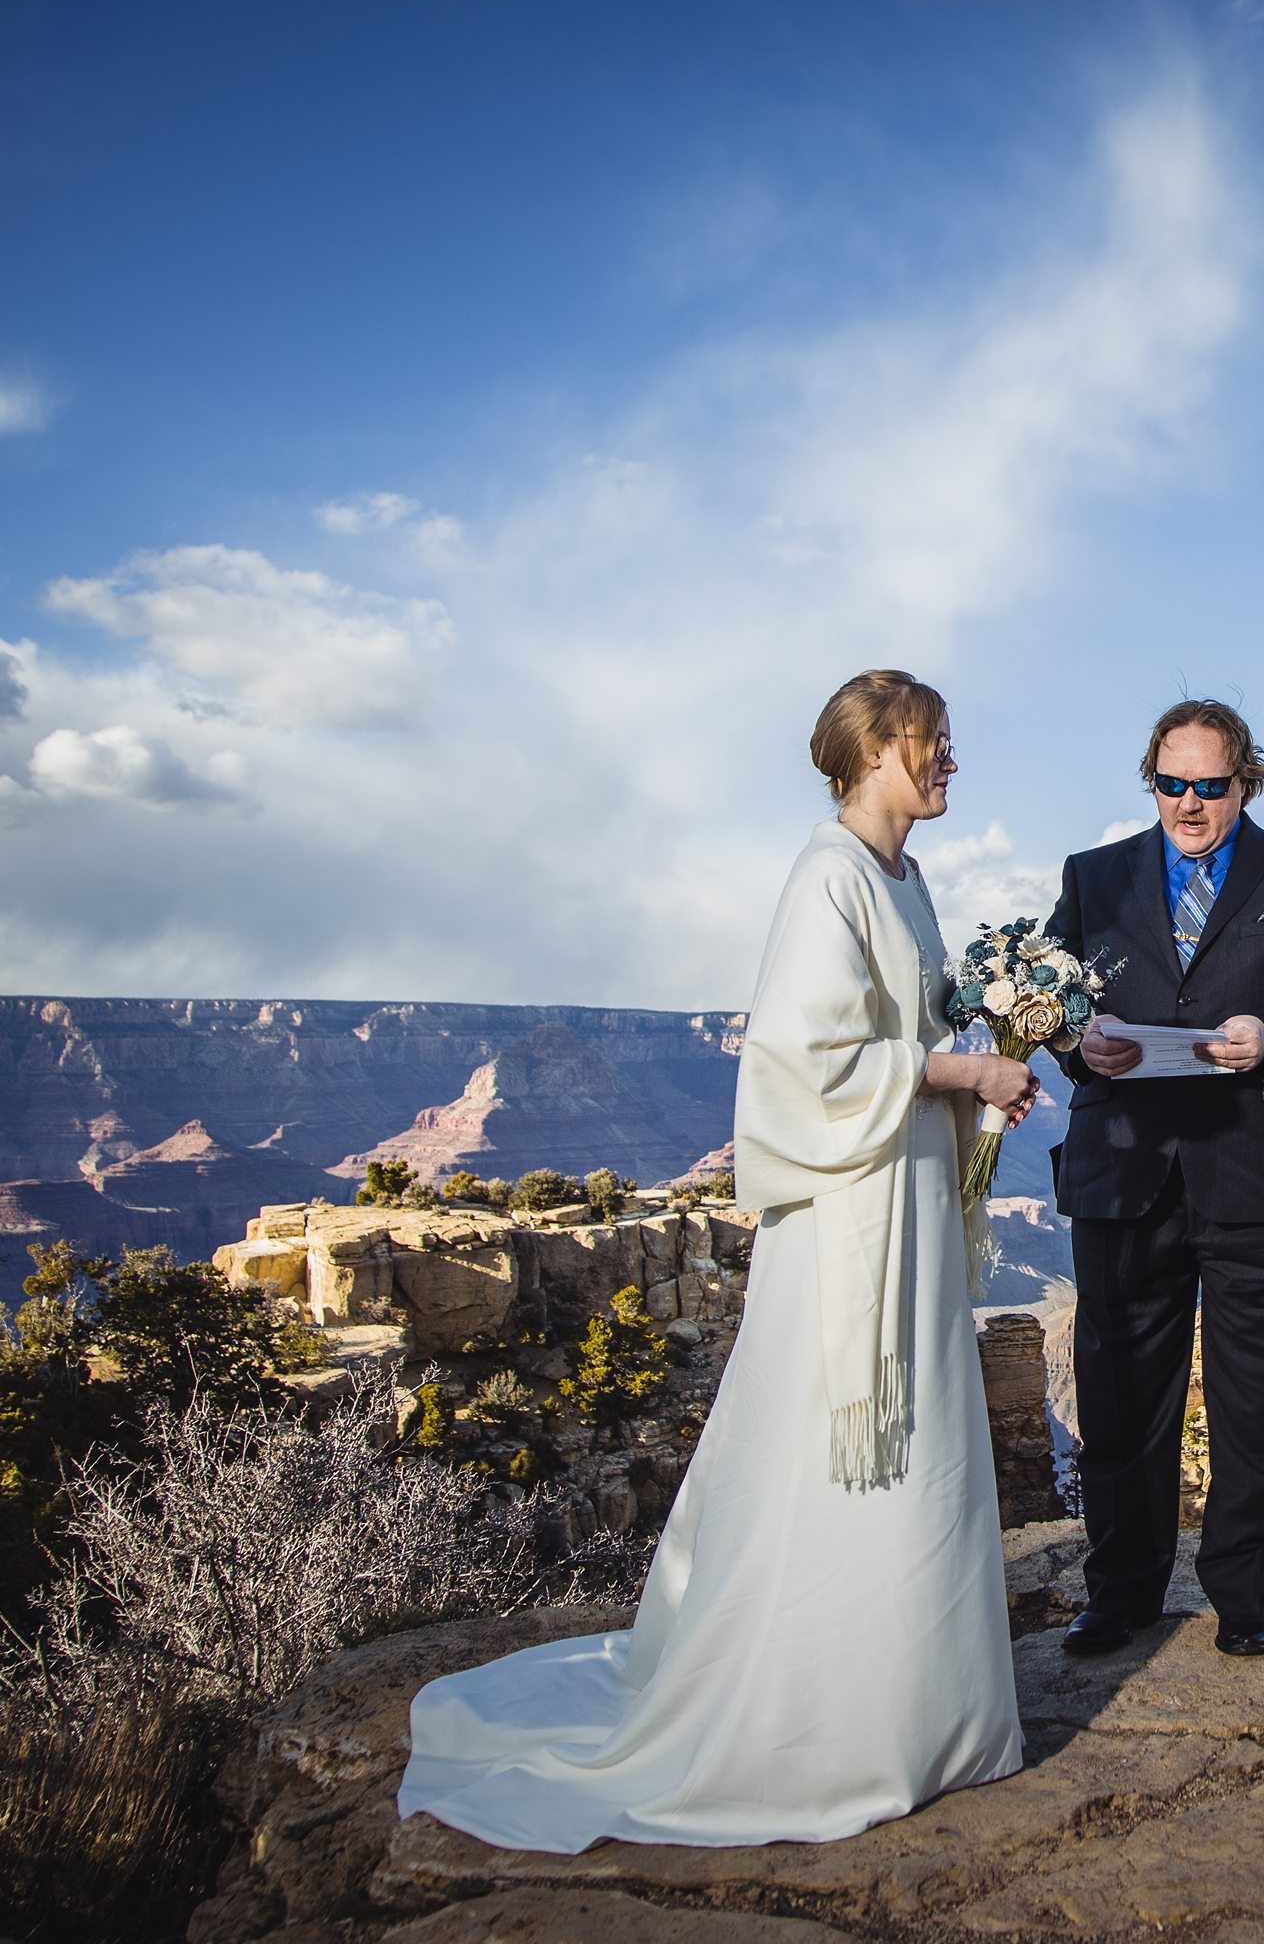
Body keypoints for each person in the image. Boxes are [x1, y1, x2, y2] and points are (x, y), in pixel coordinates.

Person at [396, 669, 1040, 1853]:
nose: (951, 760)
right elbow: (805, 1061)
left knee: (921, 1447)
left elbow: (909, 1027)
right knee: (837, 1439)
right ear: (878, 747)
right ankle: (830, 1717)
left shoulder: (906, 876)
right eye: (935, 741)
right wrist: (963, 1072)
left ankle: (922, 1710)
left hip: (906, 1198)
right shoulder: (829, 876)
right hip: (853, 1211)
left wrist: (998, 1031)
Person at [1045, 700, 1264, 1661]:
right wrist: (1076, 1042)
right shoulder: (1093, 879)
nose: (1187, 803)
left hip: (1257, 1172)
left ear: (1245, 782)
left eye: (1208, 786)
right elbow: (1049, 1000)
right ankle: (1120, 1592)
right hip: (1124, 1171)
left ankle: (1247, 1594)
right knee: (1121, 1388)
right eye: (1170, 784)